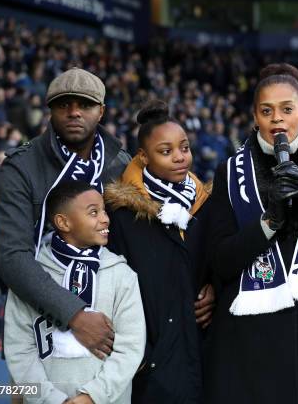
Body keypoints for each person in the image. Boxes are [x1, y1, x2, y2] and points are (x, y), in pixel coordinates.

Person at [203, 63, 298, 404]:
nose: (277, 119)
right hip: (248, 340)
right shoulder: (228, 173)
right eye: (266, 110)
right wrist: (268, 222)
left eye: (287, 109)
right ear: (254, 116)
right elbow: (221, 261)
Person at [0, 68, 131, 359]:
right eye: (63, 104)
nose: (74, 112)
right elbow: (12, 255)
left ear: (101, 111)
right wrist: (75, 315)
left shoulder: (121, 164)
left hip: (111, 318)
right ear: (50, 111)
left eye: (85, 104)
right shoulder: (21, 166)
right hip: (36, 323)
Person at [104, 100, 213, 403]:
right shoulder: (122, 215)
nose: (180, 158)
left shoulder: (207, 206)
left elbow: (218, 264)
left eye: (185, 148)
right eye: (166, 152)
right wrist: (142, 356)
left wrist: (215, 288)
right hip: (152, 367)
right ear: (143, 156)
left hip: (202, 356)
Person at [4, 180, 145, 403]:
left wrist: (92, 396)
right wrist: (51, 399)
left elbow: (131, 347)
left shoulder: (122, 274)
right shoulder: (30, 277)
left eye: (104, 210)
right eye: (93, 212)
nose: (105, 218)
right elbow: (19, 348)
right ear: (63, 222)